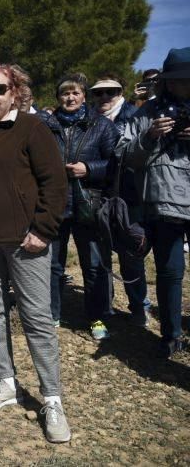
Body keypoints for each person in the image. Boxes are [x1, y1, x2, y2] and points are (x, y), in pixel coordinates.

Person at [0, 64, 71, 443]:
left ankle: (51, 399)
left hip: (26, 242)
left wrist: (43, 229)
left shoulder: (32, 129)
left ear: (14, 92)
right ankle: (6, 382)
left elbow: (55, 183)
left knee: (36, 318)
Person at [118, 47, 190, 358]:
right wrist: (148, 136)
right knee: (170, 272)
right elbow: (123, 154)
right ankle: (171, 335)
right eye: (175, 80)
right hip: (164, 201)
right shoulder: (146, 113)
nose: (179, 86)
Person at [35, 73, 118, 339]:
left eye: (75, 93)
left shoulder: (101, 126)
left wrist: (89, 168)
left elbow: (116, 163)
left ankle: (96, 318)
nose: (70, 98)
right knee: (53, 266)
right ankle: (53, 314)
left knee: (93, 265)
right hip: (54, 204)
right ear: (57, 98)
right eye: (64, 93)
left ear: (84, 96)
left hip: (89, 205)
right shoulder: (45, 125)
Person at [90, 75, 151, 325]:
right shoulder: (89, 120)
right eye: (99, 92)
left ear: (121, 91)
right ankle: (106, 308)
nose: (104, 97)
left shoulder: (135, 116)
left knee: (131, 255)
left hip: (130, 197)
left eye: (110, 91)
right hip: (99, 196)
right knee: (100, 257)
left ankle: (139, 305)